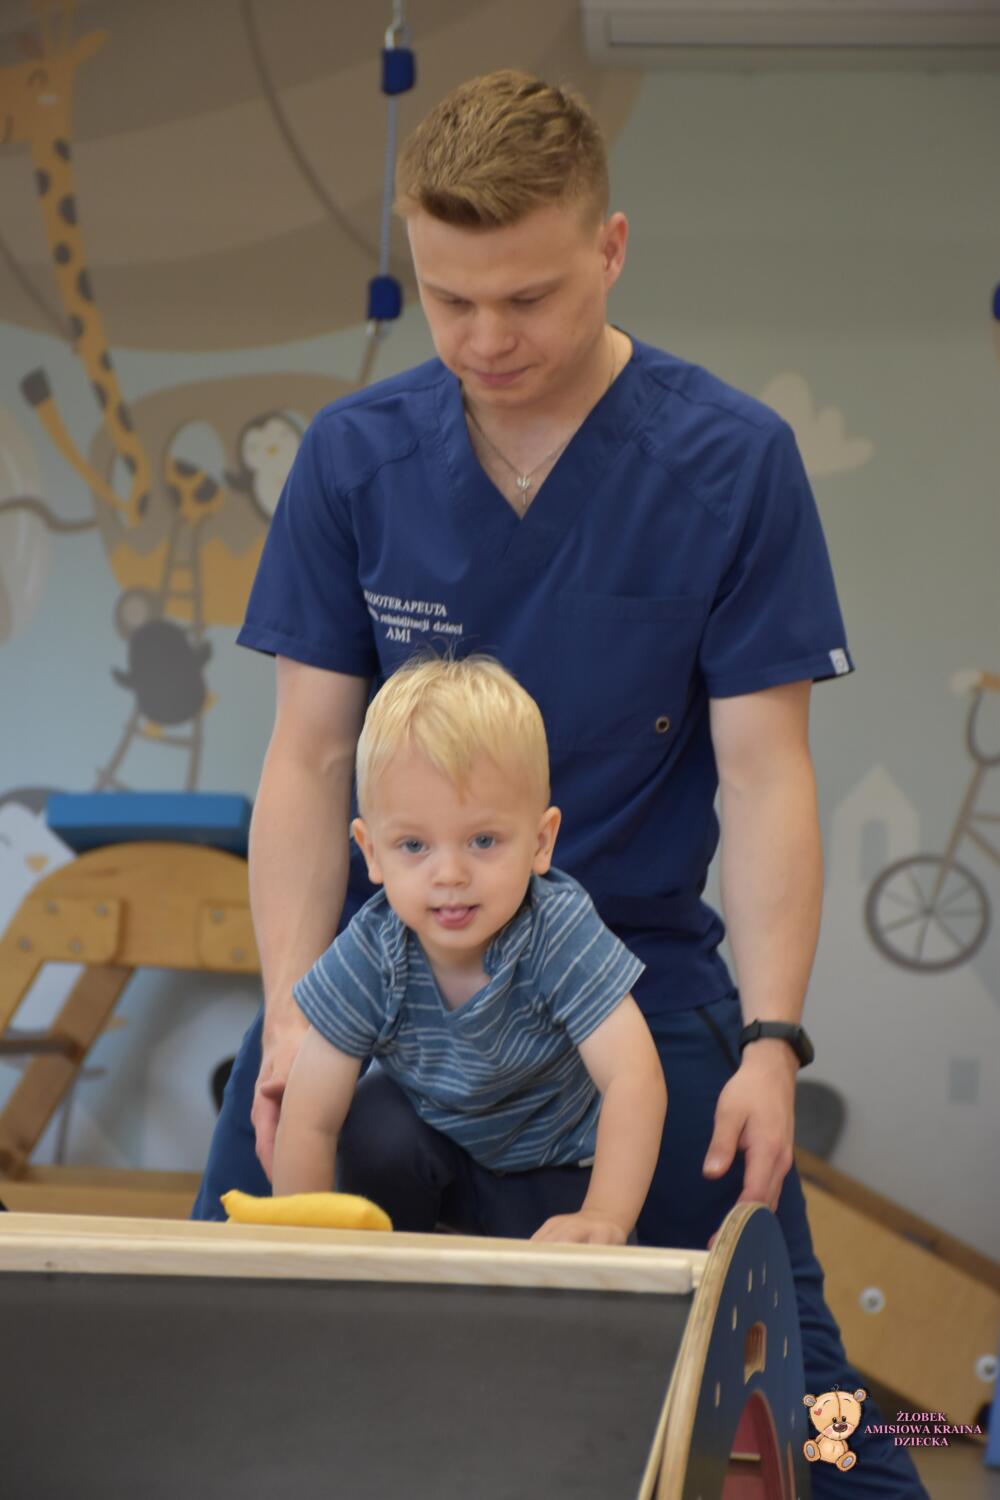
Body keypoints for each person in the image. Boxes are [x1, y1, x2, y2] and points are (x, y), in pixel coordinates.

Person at [194, 70, 926, 1497]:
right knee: (228, 1355)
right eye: (448, 299)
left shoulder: (730, 464)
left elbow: (765, 776)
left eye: (526, 297)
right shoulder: (356, 460)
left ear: (611, 247)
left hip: (636, 971)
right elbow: (307, 758)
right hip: (388, 975)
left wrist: (773, 1041)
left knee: (809, 1417)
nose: (486, 339)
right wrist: (289, 1010)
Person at [271, 654, 666, 1243]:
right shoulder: (374, 950)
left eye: (483, 840)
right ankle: (387, 1266)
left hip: (552, 1164)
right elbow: (310, 1116)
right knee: (374, 1119)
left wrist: (605, 1214)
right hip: (432, 1157)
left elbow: (634, 1078)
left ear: (541, 841)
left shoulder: (555, 930)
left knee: (583, 1268)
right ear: (371, 851)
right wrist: (299, 1239)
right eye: (414, 845)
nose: (450, 874)